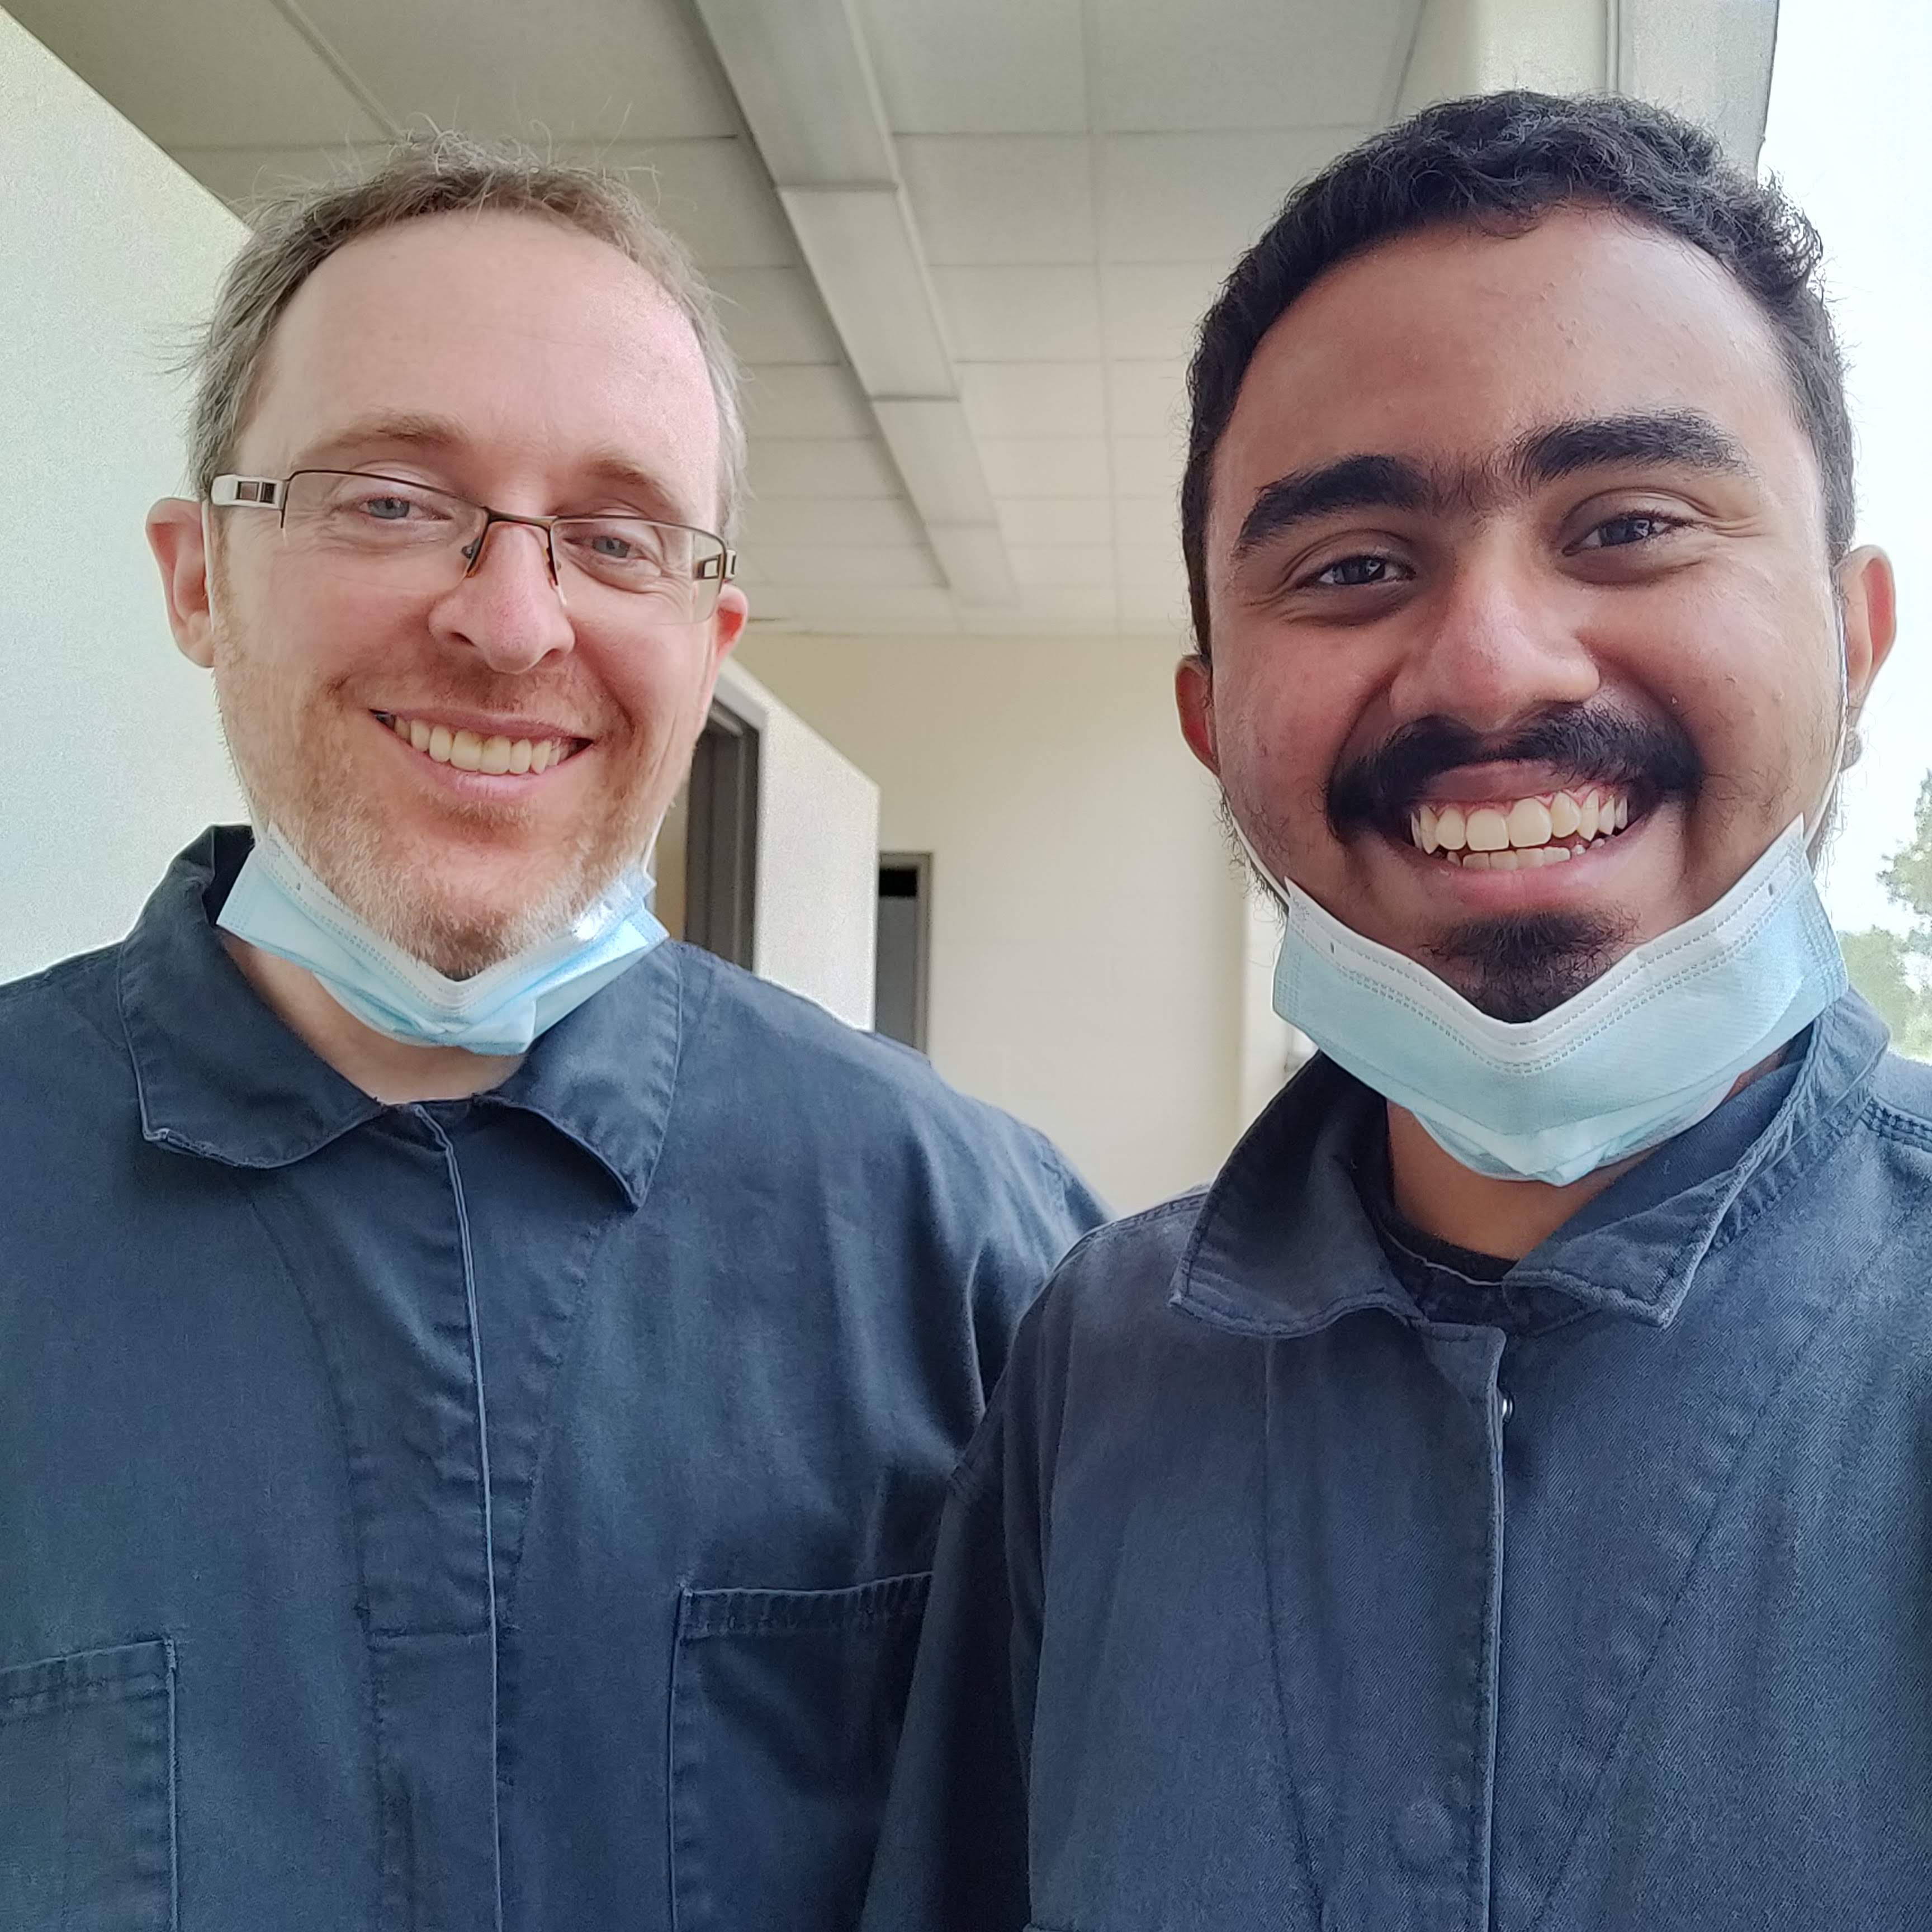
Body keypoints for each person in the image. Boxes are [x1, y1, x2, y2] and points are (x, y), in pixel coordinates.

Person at [0, 136, 1103, 1932]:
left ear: (707, 631)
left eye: (616, 540)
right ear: (198, 576)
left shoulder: (975, 1249)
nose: (514, 623)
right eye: (386, 498)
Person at [860, 92, 1928, 1932]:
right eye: (1354, 566)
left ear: (1852, 637)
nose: (1498, 661)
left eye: (1632, 522)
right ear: (1209, 717)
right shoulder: (1095, 1370)